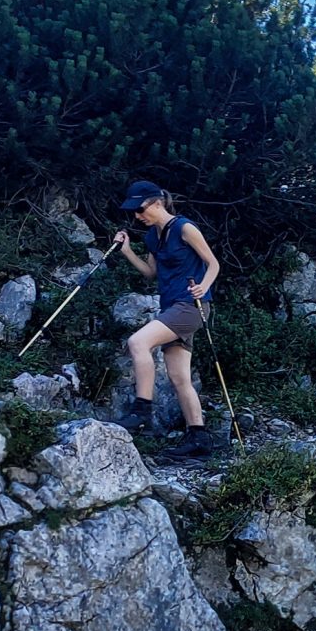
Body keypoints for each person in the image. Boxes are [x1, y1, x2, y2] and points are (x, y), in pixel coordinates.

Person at [110, 179, 222, 459]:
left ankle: (141, 411)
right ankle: (199, 439)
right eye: (134, 211)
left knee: (138, 342)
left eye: (141, 208)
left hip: (191, 307)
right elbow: (151, 273)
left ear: (157, 202)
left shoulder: (185, 228)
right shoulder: (152, 236)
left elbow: (213, 263)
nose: (137, 215)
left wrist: (204, 286)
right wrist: (126, 252)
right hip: (171, 307)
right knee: (179, 377)